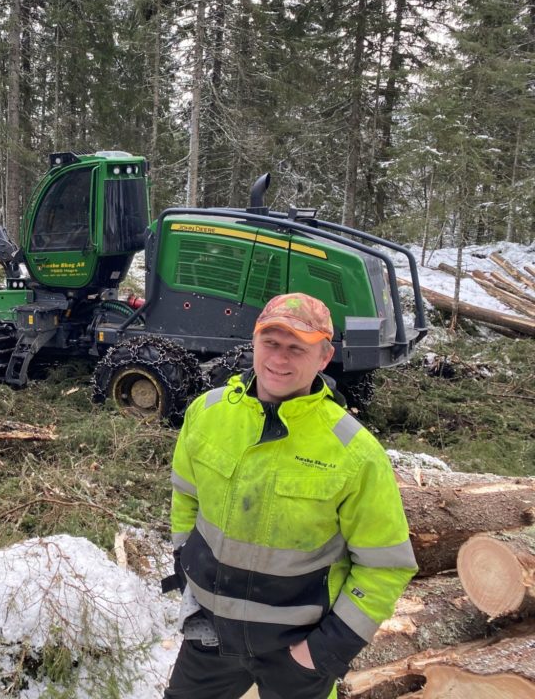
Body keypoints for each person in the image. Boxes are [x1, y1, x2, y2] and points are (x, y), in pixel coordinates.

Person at [164, 292, 417, 699]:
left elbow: (386, 565)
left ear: (324, 356)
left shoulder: (354, 452)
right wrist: (186, 567)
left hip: (297, 652)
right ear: (254, 341)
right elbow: (185, 496)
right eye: (271, 342)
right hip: (210, 637)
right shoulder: (207, 414)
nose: (279, 359)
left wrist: (322, 652)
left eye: (297, 348)